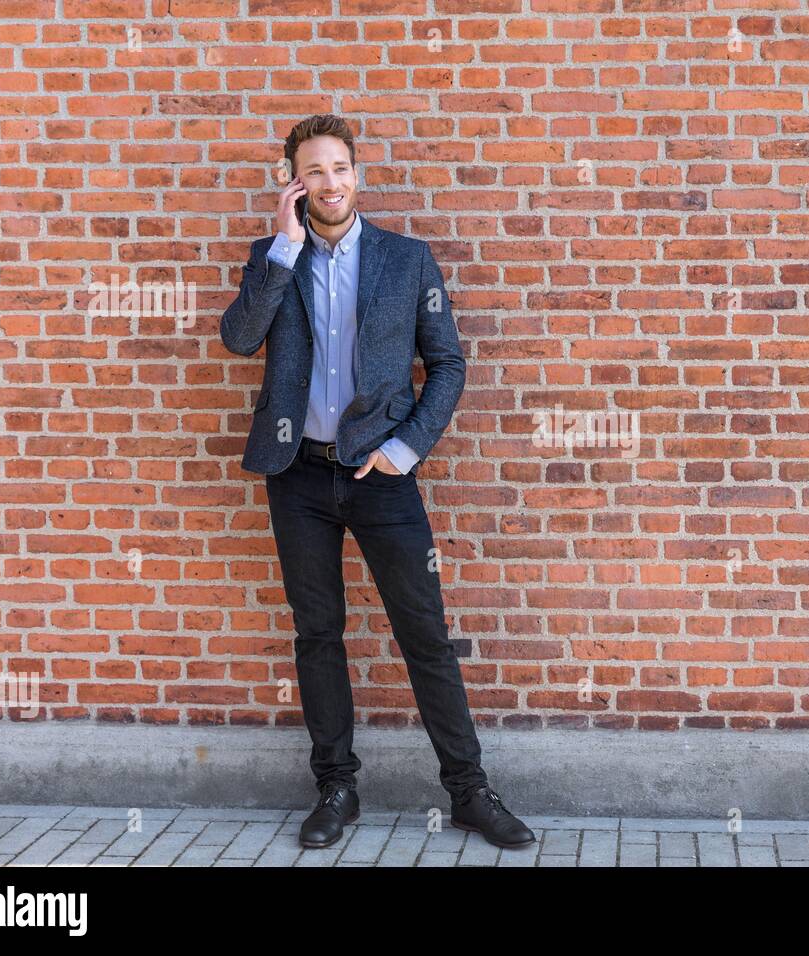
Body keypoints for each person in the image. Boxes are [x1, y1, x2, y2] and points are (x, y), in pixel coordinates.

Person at [219, 113, 534, 851]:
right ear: (295, 184)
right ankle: (336, 787)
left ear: (357, 173)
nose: (331, 183)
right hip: (297, 475)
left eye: (340, 168)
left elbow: (449, 364)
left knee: (423, 634)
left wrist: (407, 447)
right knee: (317, 632)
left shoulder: (406, 259)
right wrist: (286, 248)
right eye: (314, 172)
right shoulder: (273, 255)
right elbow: (238, 339)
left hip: (381, 477)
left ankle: (468, 792)